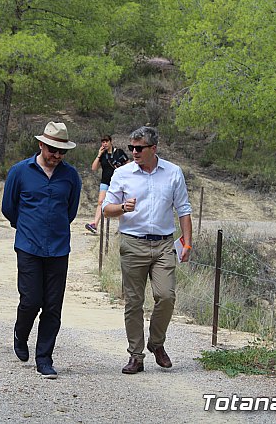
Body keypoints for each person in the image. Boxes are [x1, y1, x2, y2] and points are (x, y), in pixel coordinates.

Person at [102, 125, 192, 374]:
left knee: (166, 296)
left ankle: (156, 343)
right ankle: (136, 356)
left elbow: (183, 209)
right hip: (133, 243)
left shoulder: (173, 172)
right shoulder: (122, 174)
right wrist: (123, 207)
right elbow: (106, 209)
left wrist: (187, 242)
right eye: (131, 147)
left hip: (164, 244)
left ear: (153, 148)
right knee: (134, 301)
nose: (134, 152)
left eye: (139, 148)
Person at [1, 121, 82, 379]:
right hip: (28, 246)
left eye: (62, 151)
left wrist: (53, 228)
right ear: (41, 145)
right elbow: (8, 207)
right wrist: (28, 226)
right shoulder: (19, 171)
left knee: (53, 306)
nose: (57, 155)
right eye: (52, 150)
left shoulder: (71, 176)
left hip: (58, 248)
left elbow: (70, 211)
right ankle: (20, 333)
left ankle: (44, 359)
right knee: (31, 300)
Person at [85, 135, 128, 234]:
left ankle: (122, 226)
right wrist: (99, 155)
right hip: (105, 181)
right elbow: (94, 168)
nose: (105, 144)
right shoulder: (103, 154)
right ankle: (95, 224)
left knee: (119, 203)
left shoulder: (119, 152)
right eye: (103, 142)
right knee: (101, 202)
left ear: (110, 142)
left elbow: (128, 164)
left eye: (106, 141)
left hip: (117, 182)